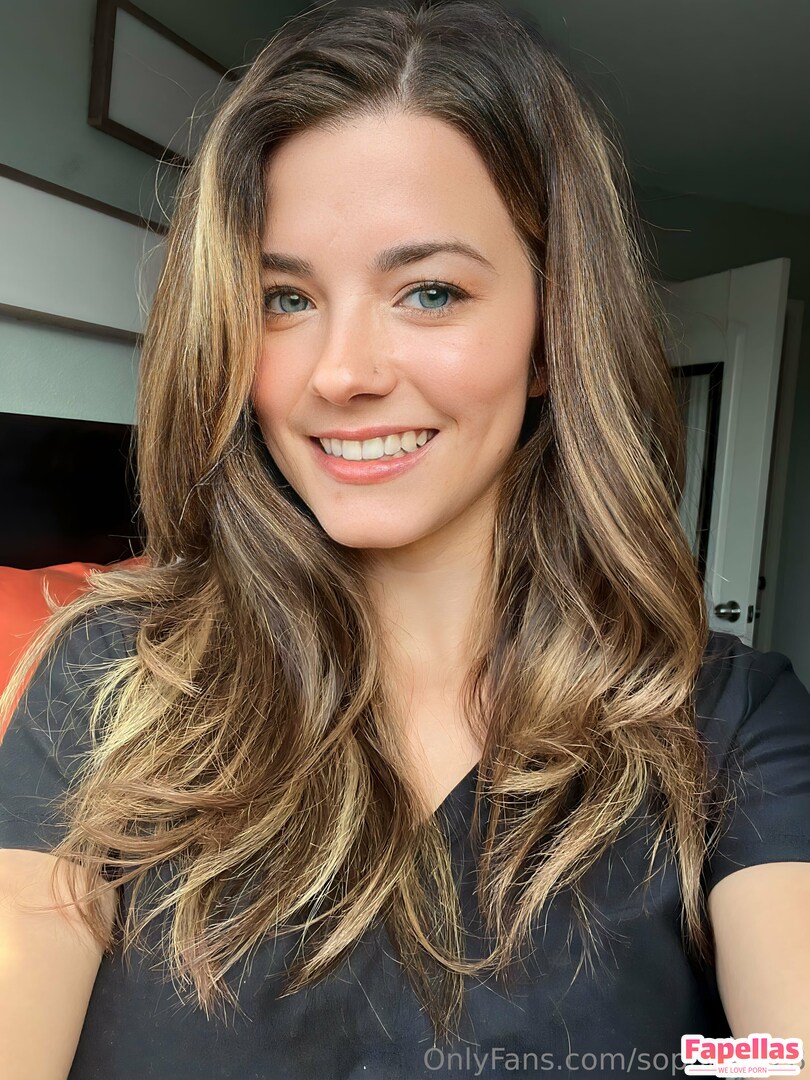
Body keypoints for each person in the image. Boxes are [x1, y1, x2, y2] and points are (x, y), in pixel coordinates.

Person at [1, 1, 809, 1076]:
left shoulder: (729, 727)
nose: (341, 372)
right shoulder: (108, 685)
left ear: (549, 336)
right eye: (284, 298)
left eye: (429, 291)